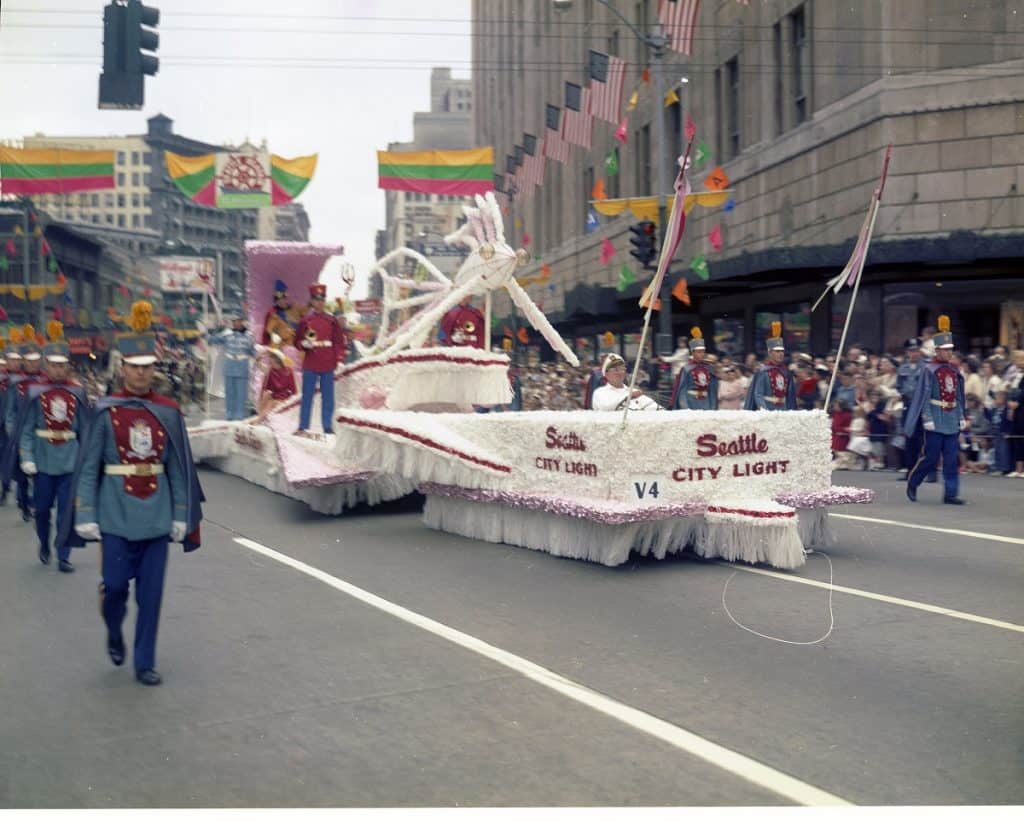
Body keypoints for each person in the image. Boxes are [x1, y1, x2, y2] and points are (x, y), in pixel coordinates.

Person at [56, 301, 204, 686]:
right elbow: (89, 467)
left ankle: (144, 662)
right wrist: (85, 512)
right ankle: (113, 628)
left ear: (154, 369)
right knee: (117, 588)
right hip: (115, 516)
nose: (141, 374)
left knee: (151, 597)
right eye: (134, 367)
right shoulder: (105, 411)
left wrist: (180, 514)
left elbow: (177, 468)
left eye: (147, 367)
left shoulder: (168, 412)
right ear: (123, 369)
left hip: (156, 516)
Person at [12, 322, 88, 571]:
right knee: (43, 509)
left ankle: (63, 553)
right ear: (46, 365)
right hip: (44, 460)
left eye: (62, 364)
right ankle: (44, 542)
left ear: (68, 365)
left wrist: (86, 459)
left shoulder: (78, 392)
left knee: (67, 509)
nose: (58, 369)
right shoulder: (34, 392)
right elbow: (26, 428)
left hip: (69, 459)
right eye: (53, 364)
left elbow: (85, 428)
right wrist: (27, 457)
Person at [905, 315, 967, 505]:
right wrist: (927, 417)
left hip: (951, 419)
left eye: (951, 350)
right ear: (937, 350)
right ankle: (913, 482)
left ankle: (950, 494)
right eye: (945, 350)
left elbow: (957, 396)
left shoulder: (955, 371)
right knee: (931, 458)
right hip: (935, 418)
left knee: (951, 460)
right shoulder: (929, 370)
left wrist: (961, 415)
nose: (949, 354)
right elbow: (924, 396)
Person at [2, 328, 48, 521]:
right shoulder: (16, 383)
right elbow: (10, 410)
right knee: (21, 471)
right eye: (28, 359)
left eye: (35, 359)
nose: (32, 363)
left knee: (39, 470)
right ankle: (23, 502)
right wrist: (12, 429)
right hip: (20, 431)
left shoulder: (45, 381)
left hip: (39, 432)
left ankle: (35, 501)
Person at [294, 283, 347, 435]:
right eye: (316, 299)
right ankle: (303, 426)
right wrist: (303, 344)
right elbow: (296, 341)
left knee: (328, 398)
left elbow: (339, 341)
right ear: (312, 301)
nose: (320, 302)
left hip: (327, 362)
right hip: (310, 362)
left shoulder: (331, 320)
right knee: (307, 397)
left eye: (322, 299)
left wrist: (337, 358)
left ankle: (327, 427)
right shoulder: (305, 320)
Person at [209, 313, 255, 421]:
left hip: (242, 367)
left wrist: (259, 355)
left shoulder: (249, 335)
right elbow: (213, 340)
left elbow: (252, 351)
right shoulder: (227, 334)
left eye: (238, 321)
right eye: (234, 321)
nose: (236, 323)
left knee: (241, 393)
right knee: (230, 392)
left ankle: (240, 414)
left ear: (242, 321)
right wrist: (207, 331)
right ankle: (230, 414)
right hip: (229, 366)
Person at [743, 322, 796, 410]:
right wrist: (763, 410)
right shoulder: (763, 371)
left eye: (782, 351)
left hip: (784, 410)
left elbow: (790, 395)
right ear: (770, 353)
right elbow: (758, 394)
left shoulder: (786, 372)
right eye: (777, 351)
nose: (780, 354)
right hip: (768, 409)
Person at [896, 338, 927, 478]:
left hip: (923, 406)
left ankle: (928, 471)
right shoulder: (903, 368)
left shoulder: (927, 366)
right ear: (907, 352)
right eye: (911, 351)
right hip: (908, 405)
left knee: (924, 439)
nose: (914, 354)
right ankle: (910, 470)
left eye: (916, 350)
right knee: (909, 438)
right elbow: (899, 385)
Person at [591, 353, 662, 411]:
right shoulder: (600, 392)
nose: (620, 373)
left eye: (622, 369)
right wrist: (628, 397)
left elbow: (654, 407)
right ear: (606, 374)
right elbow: (605, 407)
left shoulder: (633, 391)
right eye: (616, 370)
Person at [669, 327, 718, 410]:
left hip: (706, 403)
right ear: (693, 353)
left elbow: (712, 390)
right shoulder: (686, 369)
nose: (702, 354)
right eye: (699, 352)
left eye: (703, 352)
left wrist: (713, 407)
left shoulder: (709, 368)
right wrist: (685, 407)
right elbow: (682, 390)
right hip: (690, 402)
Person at [256, 336, 297, 422]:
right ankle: (260, 417)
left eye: (271, 358)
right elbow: (260, 366)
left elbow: (293, 391)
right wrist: (258, 359)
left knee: (272, 403)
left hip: (284, 397)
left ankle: (259, 420)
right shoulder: (271, 370)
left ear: (277, 360)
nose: (270, 360)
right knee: (266, 396)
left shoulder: (288, 371)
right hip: (274, 395)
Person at [261, 279, 303, 346]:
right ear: (275, 301)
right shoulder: (272, 312)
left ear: (286, 299)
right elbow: (268, 330)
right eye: (278, 300)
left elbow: (302, 324)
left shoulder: (294, 309)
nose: (281, 301)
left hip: (294, 342)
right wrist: (273, 335)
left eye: (282, 299)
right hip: (279, 343)